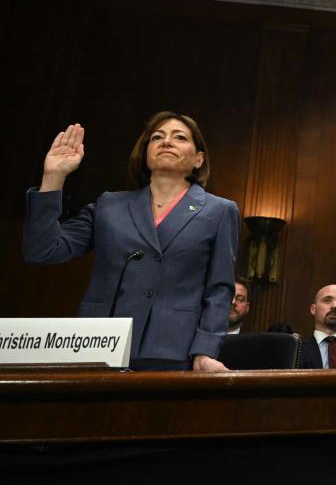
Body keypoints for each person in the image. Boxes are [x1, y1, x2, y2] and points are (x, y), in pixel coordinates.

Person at [22, 113, 240, 371]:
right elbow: (43, 250)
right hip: (98, 346)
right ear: (145, 154)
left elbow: (219, 289)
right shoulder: (109, 205)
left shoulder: (219, 211)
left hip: (172, 349)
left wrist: (205, 351)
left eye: (179, 137)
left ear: (198, 159)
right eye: (157, 137)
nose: (166, 142)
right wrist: (53, 178)